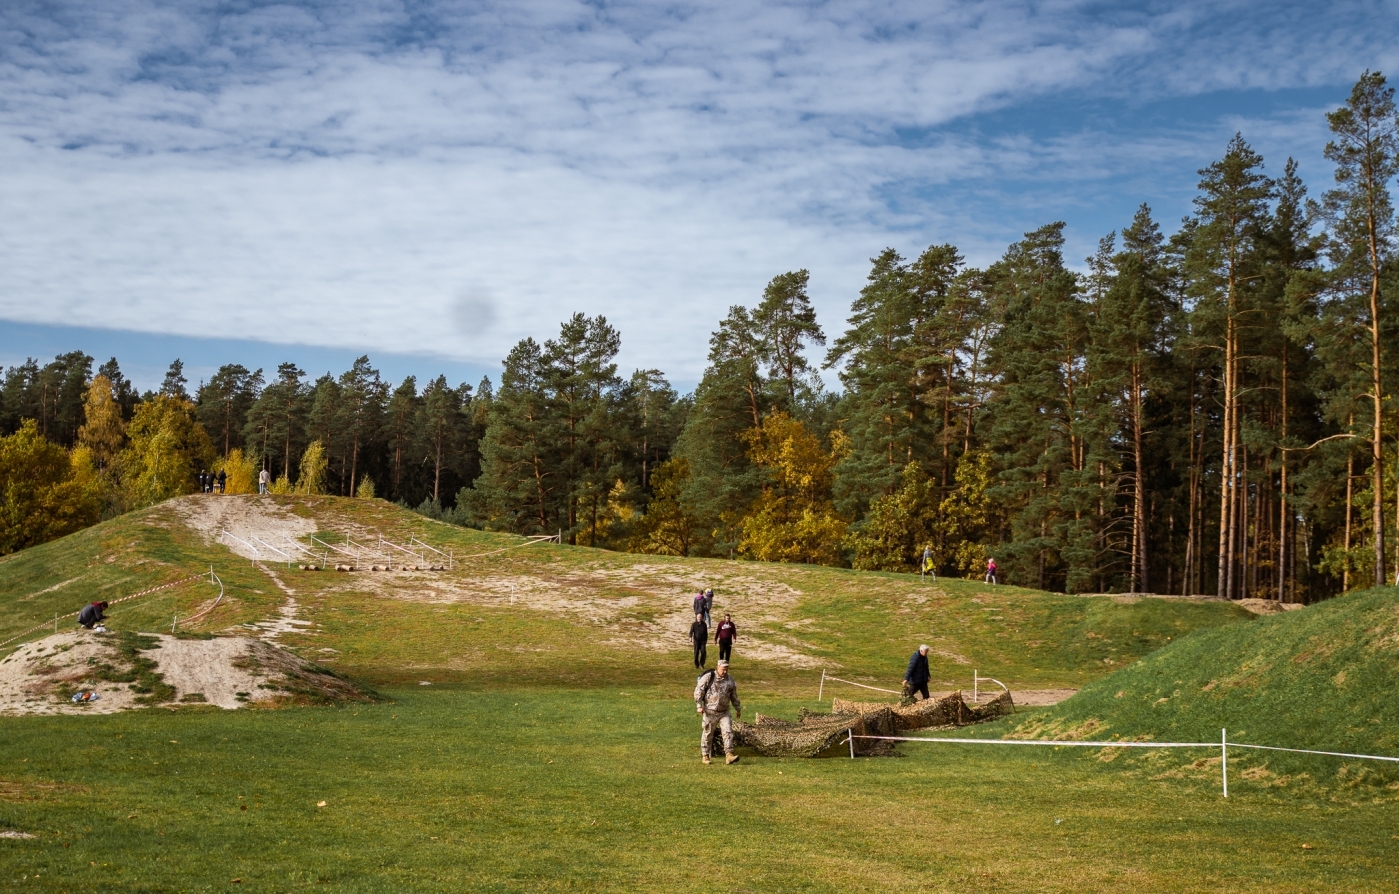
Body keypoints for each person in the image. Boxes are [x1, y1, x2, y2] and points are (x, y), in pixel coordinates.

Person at [694, 659, 742, 765]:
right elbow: (699, 690)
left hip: (724, 712)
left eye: (726, 669)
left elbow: (733, 695)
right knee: (708, 733)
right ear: (718, 667)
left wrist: (737, 708)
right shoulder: (709, 677)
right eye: (723, 669)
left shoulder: (730, 680)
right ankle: (705, 755)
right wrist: (699, 706)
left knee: (728, 732)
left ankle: (729, 755)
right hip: (710, 711)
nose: (725, 671)